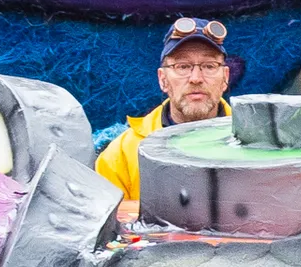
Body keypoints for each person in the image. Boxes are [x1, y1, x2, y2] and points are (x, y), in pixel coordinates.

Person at [95, 16, 233, 223]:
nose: (196, 78)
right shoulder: (120, 156)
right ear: (163, 79)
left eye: (209, 66)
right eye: (182, 66)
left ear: (225, 78)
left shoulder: (259, 144)